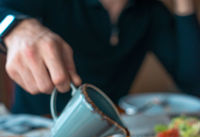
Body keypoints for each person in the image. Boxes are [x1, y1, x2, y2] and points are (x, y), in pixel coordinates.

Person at [0, 0, 200, 115]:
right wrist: (15, 28)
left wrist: (185, 5)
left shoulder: (150, 12)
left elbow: (193, 83)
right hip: (34, 134)